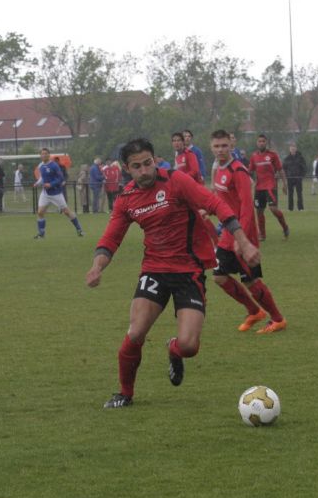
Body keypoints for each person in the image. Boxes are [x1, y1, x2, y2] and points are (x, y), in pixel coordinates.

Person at [86, 138, 259, 409]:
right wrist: (97, 266)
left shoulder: (176, 181)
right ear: (126, 169)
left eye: (148, 163)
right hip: (154, 271)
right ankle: (125, 393)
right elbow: (111, 239)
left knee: (189, 346)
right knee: (135, 333)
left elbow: (215, 204)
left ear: (155, 159)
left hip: (188, 272)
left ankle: (174, 349)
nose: (144, 170)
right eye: (137, 166)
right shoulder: (126, 199)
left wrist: (243, 241)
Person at [210, 129, 287, 334]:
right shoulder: (219, 169)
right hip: (228, 233)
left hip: (244, 232)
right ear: (211, 148)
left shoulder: (238, 171)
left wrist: (242, 238)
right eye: (216, 146)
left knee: (251, 280)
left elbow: (246, 207)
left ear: (231, 146)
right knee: (219, 277)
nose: (220, 149)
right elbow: (221, 201)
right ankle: (254, 311)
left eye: (224, 145)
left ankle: (278, 319)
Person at [33, 147, 84, 239]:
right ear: (40, 155)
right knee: (40, 212)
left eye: (45, 153)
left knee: (66, 212)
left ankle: (79, 229)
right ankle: (41, 234)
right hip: (45, 193)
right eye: (42, 154)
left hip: (56, 193)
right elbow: (42, 178)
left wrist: (51, 184)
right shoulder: (41, 166)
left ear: (49, 155)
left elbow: (60, 178)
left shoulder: (54, 165)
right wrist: (37, 183)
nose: (44, 155)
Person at [248, 134, 289, 239]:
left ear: (266, 143)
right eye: (259, 141)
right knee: (259, 211)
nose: (261, 143)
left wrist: (285, 184)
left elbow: (280, 170)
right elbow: (250, 171)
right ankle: (262, 234)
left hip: (270, 186)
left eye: (263, 141)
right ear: (257, 143)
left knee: (273, 209)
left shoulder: (272, 155)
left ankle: (285, 227)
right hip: (259, 188)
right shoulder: (254, 156)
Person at [282, 143, 306, 211]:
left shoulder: (300, 158)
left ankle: (300, 208)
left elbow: (304, 167)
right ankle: (290, 208)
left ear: (296, 148)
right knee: (290, 194)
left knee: (299, 193)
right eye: (291, 148)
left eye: (294, 147)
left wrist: (302, 176)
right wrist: (286, 176)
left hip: (298, 178)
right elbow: (284, 168)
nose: (293, 149)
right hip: (290, 178)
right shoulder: (286, 158)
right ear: (289, 149)